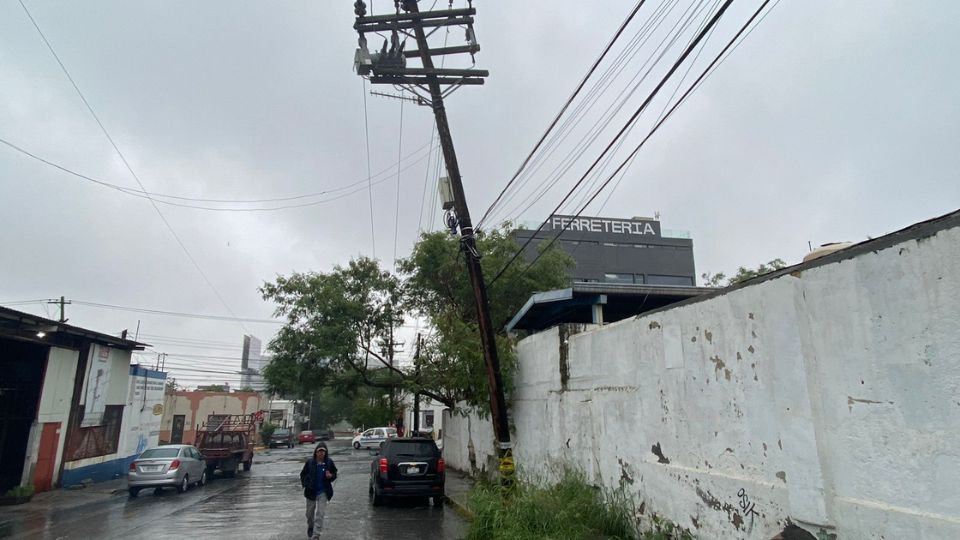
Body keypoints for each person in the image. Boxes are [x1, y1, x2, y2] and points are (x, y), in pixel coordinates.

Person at [299, 442, 338, 538]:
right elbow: (303, 474)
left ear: (325, 452)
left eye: (323, 452)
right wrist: (306, 484)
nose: (321, 453)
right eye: (319, 451)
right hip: (311, 491)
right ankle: (311, 527)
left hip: (323, 492)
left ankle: (316, 534)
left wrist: (331, 476)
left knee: (320, 513)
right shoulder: (310, 462)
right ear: (316, 452)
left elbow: (334, 473)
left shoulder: (329, 462)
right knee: (309, 514)